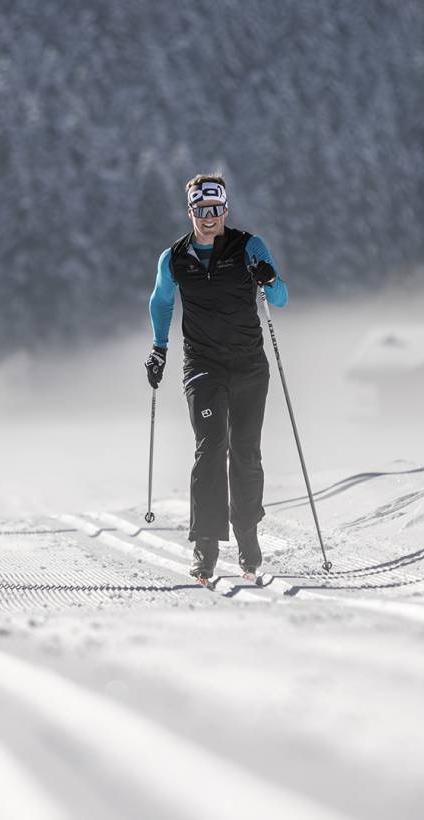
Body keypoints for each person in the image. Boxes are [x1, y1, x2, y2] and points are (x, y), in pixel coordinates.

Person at [146, 175, 287, 584]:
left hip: (248, 365)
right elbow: (161, 302)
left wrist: (269, 279)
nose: (207, 219)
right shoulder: (173, 258)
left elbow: (280, 299)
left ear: (225, 210)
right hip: (202, 364)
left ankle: (246, 531)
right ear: (189, 212)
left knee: (246, 452)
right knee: (211, 448)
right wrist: (159, 350)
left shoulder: (249, 247)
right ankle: (205, 544)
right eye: (199, 211)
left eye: (214, 210)